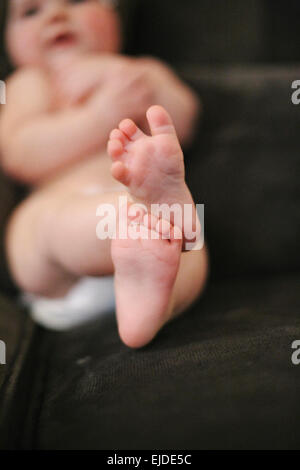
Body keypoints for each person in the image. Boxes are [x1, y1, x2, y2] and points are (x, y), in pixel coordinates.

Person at [0, 0, 208, 348]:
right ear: (7, 40)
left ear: (115, 15)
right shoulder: (31, 83)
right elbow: (17, 153)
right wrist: (99, 117)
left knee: (191, 245)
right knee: (50, 223)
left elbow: (184, 121)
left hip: (137, 214)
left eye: (76, 1)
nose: (56, 15)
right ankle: (142, 233)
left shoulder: (137, 72)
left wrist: (117, 74)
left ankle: (154, 303)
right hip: (57, 234)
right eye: (31, 11)